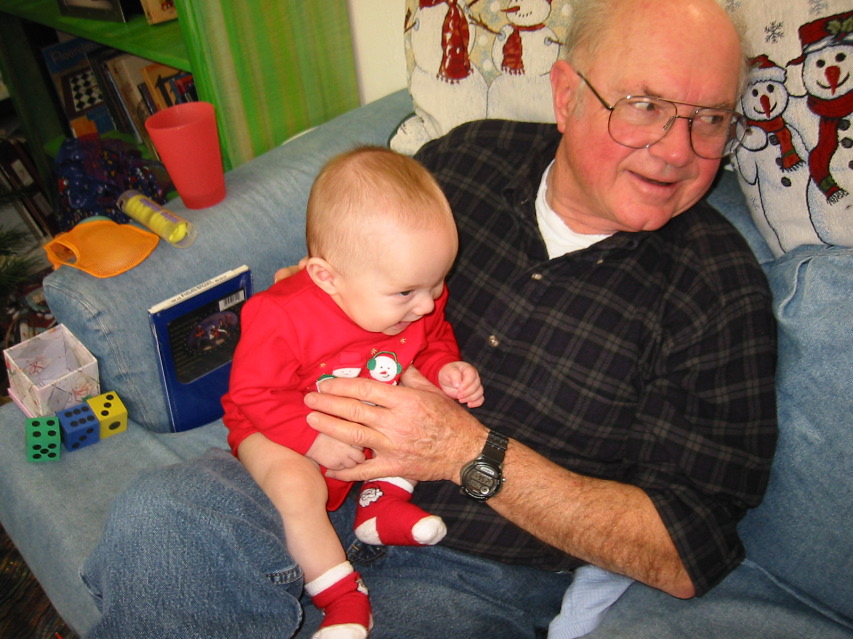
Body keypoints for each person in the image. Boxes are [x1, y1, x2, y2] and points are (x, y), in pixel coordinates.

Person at [80, 0, 778, 637]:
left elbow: (689, 550)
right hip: (303, 466)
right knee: (157, 525)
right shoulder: (463, 159)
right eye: (644, 105)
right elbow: (345, 257)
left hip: (475, 567)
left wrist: (469, 454)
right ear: (566, 95)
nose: (677, 148)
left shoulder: (715, 291)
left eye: (709, 118)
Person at [221, 146, 484, 639]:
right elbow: (252, 393)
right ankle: (343, 599)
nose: (428, 304)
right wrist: (310, 439)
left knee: (425, 415)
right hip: (276, 423)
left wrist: (445, 366)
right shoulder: (279, 315)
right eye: (407, 292)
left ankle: (379, 507)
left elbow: (431, 337)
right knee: (298, 489)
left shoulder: (416, 295)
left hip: (362, 417)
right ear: (326, 277)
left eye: (438, 282)